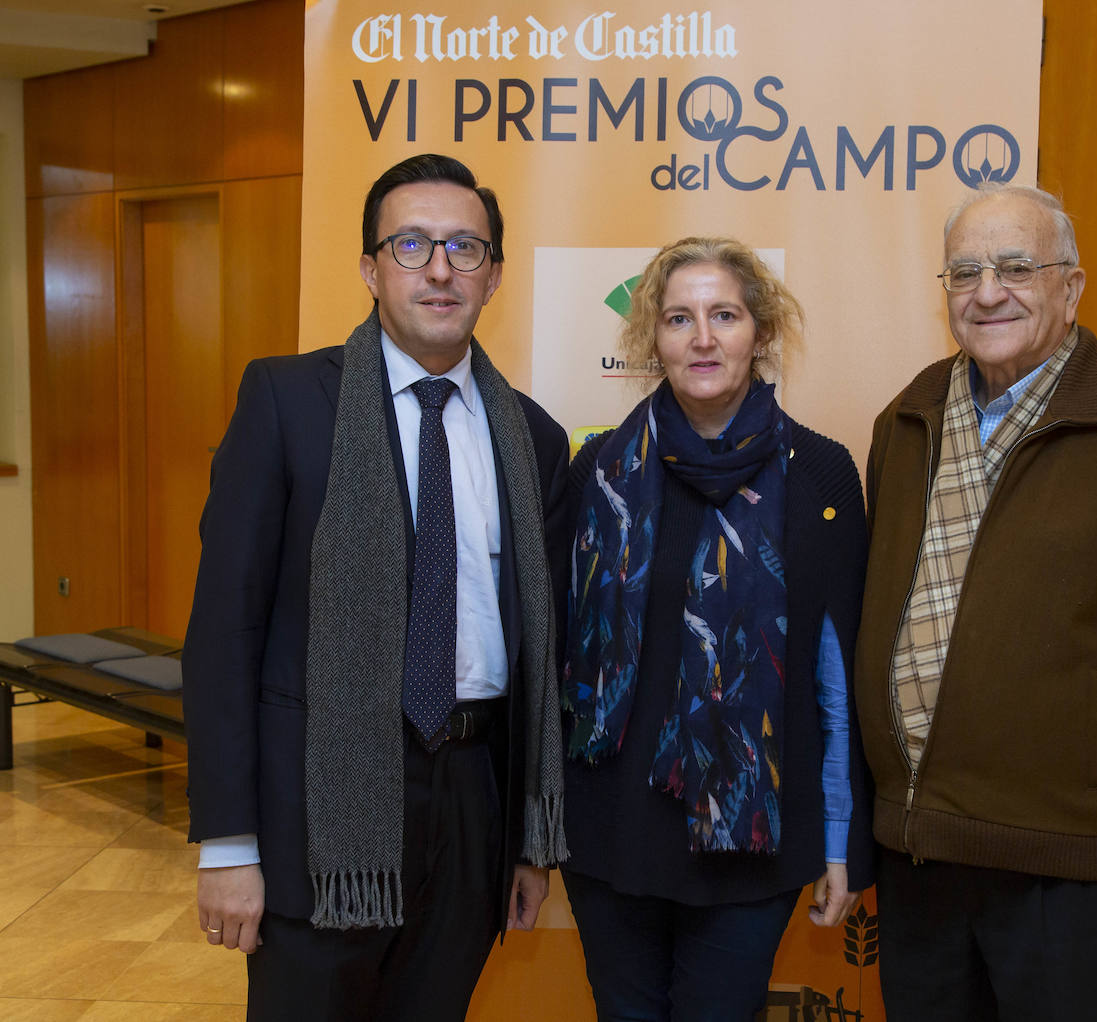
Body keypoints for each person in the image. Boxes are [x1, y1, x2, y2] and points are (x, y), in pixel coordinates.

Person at [182, 153, 570, 1021]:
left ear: (494, 275)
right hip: (320, 805)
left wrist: (525, 847)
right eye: (411, 244)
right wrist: (228, 844)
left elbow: (545, 653)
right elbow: (223, 636)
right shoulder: (286, 401)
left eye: (465, 248)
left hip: (475, 801)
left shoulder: (533, 440)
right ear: (369, 267)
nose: (440, 268)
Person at [855, 183, 1097, 1021]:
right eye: (964, 272)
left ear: (1071, 289)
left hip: (1074, 875)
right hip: (923, 862)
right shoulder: (907, 421)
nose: (987, 291)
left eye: (1014, 267)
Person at [561, 237, 875, 1021]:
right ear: (653, 340)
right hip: (610, 832)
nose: (702, 338)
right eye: (679, 318)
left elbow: (836, 680)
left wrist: (840, 837)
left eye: (724, 315)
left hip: (753, 834)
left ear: (759, 333)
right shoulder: (597, 471)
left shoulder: (821, 473)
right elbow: (556, 659)